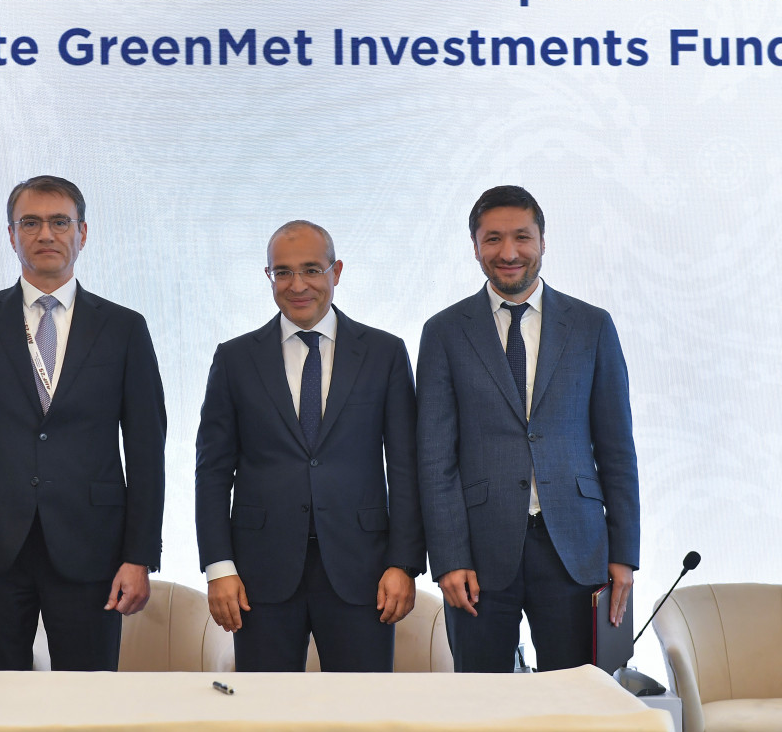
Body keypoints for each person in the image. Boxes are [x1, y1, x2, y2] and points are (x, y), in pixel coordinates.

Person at [0, 175, 166, 671]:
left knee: (88, 695)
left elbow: (146, 451)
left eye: (60, 222)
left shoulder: (124, 328)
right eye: (30, 223)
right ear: (11, 235)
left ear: (83, 233)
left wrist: (139, 555)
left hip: (92, 544)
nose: (46, 234)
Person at [417, 185, 640, 672]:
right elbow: (435, 459)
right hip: (477, 553)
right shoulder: (444, 332)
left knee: (578, 698)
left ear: (542, 240)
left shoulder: (592, 326)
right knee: (483, 700)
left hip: (575, 548)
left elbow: (617, 448)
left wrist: (624, 553)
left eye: (522, 237)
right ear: (475, 246)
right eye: (493, 239)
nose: (509, 252)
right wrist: (449, 558)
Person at [195, 220, 425, 671]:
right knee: (265, 709)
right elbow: (213, 471)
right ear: (269, 277)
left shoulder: (385, 353)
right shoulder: (235, 359)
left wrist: (403, 563)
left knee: (362, 707)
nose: (297, 285)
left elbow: (405, 468)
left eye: (311, 270)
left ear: (336, 271)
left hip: (364, 572)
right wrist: (219, 567)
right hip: (259, 575)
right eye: (282, 272)